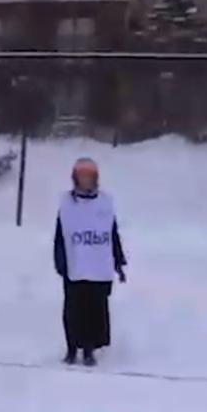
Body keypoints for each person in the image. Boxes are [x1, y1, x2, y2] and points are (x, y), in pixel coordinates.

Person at [54, 157, 127, 367]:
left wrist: (118, 261)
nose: (85, 180)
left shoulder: (104, 204)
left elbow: (111, 234)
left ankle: (88, 349)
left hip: (98, 265)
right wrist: (60, 261)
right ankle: (71, 348)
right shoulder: (67, 206)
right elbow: (61, 236)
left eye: (89, 176)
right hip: (75, 266)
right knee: (73, 310)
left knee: (94, 310)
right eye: (82, 176)